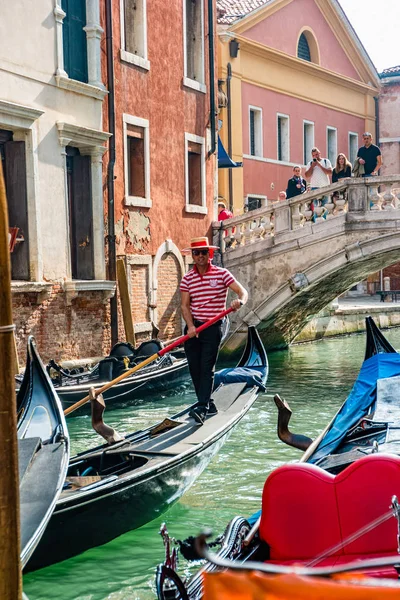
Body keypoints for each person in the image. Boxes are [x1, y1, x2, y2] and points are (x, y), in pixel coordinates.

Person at [180, 236, 248, 425]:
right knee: (194, 367)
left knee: (206, 366)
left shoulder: (222, 274)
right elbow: (185, 306)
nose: (200, 255)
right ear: (192, 255)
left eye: (203, 252)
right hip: (194, 327)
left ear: (209, 254)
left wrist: (239, 302)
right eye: (196, 252)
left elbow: (243, 292)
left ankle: (202, 408)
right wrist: (191, 326)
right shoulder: (187, 279)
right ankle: (208, 402)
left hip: (213, 325)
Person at [305, 147, 333, 216]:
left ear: (319, 154)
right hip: (314, 188)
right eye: (314, 155)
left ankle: (325, 222)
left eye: (317, 154)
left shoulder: (326, 161)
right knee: (316, 208)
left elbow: (330, 172)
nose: (315, 157)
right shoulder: (310, 163)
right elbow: (307, 175)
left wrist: (319, 165)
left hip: (325, 187)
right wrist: (312, 166)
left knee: (325, 207)